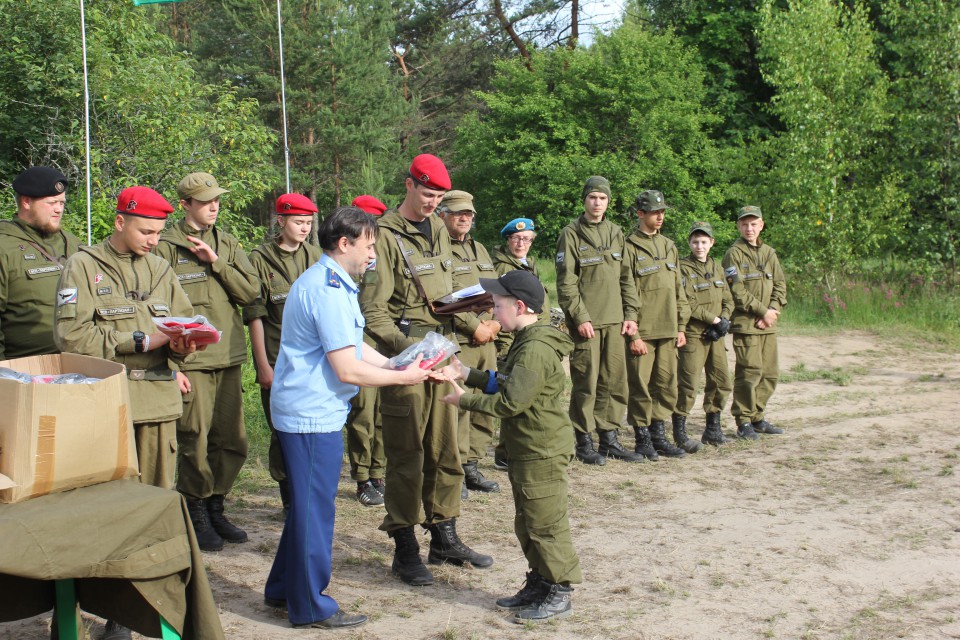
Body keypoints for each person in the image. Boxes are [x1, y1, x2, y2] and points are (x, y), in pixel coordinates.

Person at [263, 206, 438, 630]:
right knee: (315, 513)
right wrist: (402, 378)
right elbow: (347, 369)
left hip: (313, 409)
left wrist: (397, 363)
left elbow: (352, 343)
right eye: (369, 245)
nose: (372, 255)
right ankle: (309, 606)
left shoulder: (333, 282)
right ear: (345, 243)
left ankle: (283, 589)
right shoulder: (326, 289)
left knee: (307, 508)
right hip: (310, 415)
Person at [54, 186, 199, 640]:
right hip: (106, 407)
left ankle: (131, 617)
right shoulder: (84, 265)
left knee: (152, 512)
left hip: (156, 406)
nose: (154, 240)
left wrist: (182, 345)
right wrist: (138, 342)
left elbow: (187, 323)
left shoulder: (160, 268)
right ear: (120, 222)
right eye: (145, 230)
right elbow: (70, 338)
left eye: (158, 232)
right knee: (99, 516)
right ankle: (76, 613)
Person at [359, 154, 492, 587]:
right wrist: (410, 353)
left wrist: (472, 320)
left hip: (444, 350)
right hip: (408, 355)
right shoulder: (384, 238)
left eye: (439, 197)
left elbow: (447, 291)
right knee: (407, 455)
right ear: (409, 185)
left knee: (445, 448)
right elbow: (373, 312)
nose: (433, 203)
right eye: (428, 194)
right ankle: (404, 545)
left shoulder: (438, 229)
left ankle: (444, 533)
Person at [441, 270, 581, 623]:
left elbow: (509, 403)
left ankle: (560, 589)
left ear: (519, 306)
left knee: (546, 524)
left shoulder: (534, 348)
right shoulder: (525, 339)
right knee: (528, 522)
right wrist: (467, 374)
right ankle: (540, 581)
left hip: (542, 449)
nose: (492, 313)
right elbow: (505, 381)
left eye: (498, 306)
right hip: (528, 447)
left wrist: (463, 400)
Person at [154, 172, 260, 552]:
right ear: (185, 204)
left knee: (231, 439)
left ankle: (217, 504)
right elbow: (156, 306)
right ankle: (195, 509)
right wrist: (171, 366)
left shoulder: (227, 244)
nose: (213, 206)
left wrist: (216, 262)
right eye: (205, 200)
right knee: (194, 438)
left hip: (228, 354)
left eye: (216, 199)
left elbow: (250, 292)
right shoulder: (165, 247)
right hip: (191, 359)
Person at [243, 193, 322, 511]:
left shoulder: (316, 256)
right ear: (280, 221)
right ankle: (290, 499)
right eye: (298, 222)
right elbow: (255, 314)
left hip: (314, 361)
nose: (304, 228)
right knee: (283, 430)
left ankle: (309, 495)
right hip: (278, 359)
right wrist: (263, 365)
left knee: (314, 428)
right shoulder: (259, 259)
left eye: (308, 223)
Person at [555, 176, 641, 464]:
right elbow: (566, 283)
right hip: (587, 324)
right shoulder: (571, 234)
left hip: (616, 321)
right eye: (592, 197)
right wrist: (579, 317)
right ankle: (583, 440)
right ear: (584, 200)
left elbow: (627, 278)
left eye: (602, 198)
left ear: (608, 201)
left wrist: (631, 315)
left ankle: (609, 438)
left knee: (614, 382)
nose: (597, 203)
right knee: (586, 383)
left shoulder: (616, 233)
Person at [437, 190, 501, 498]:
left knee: (486, 402)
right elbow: (442, 297)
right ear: (444, 215)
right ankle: (457, 469)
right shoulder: (439, 251)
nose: (465, 218)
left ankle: (474, 462)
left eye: (469, 214)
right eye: (458, 213)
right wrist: (475, 326)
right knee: (460, 406)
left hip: (488, 338)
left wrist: (496, 322)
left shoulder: (481, 248)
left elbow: (496, 289)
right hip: (460, 339)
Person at [623, 190, 694, 459]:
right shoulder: (629, 247)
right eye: (655, 212)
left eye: (662, 211)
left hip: (668, 329)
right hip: (644, 329)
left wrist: (681, 326)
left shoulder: (669, 246)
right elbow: (627, 290)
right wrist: (635, 335)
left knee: (666, 383)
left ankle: (658, 436)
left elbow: (678, 289)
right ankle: (642, 439)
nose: (660, 216)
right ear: (641, 214)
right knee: (641, 386)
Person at [0, 166, 82, 360]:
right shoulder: (5, 246)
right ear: (26, 202)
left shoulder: (73, 244)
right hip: (25, 368)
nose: (59, 209)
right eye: (52, 202)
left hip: (77, 363)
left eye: (62, 202)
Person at [722, 206, 787, 439]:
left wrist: (773, 310)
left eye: (754, 224)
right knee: (749, 373)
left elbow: (780, 285)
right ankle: (743, 421)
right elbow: (736, 290)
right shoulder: (734, 254)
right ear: (739, 226)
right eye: (744, 224)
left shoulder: (769, 253)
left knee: (770, 374)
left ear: (762, 225)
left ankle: (757, 416)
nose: (749, 229)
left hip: (768, 324)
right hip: (746, 323)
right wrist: (762, 312)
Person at [345, 194, 388, 506]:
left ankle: (379, 471)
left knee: (383, 412)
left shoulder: (382, 255)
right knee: (362, 412)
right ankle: (362, 478)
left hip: (383, 339)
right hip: (359, 342)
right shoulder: (346, 255)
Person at [676, 221, 734, 445]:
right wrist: (715, 320)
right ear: (689, 243)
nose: (699, 246)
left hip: (716, 334)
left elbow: (728, 298)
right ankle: (680, 429)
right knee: (689, 382)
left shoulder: (717, 267)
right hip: (694, 334)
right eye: (695, 242)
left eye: (703, 242)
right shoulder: (683, 268)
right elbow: (687, 302)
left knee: (721, 381)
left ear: (711, 243)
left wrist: (725, 320)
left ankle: (713, 428)